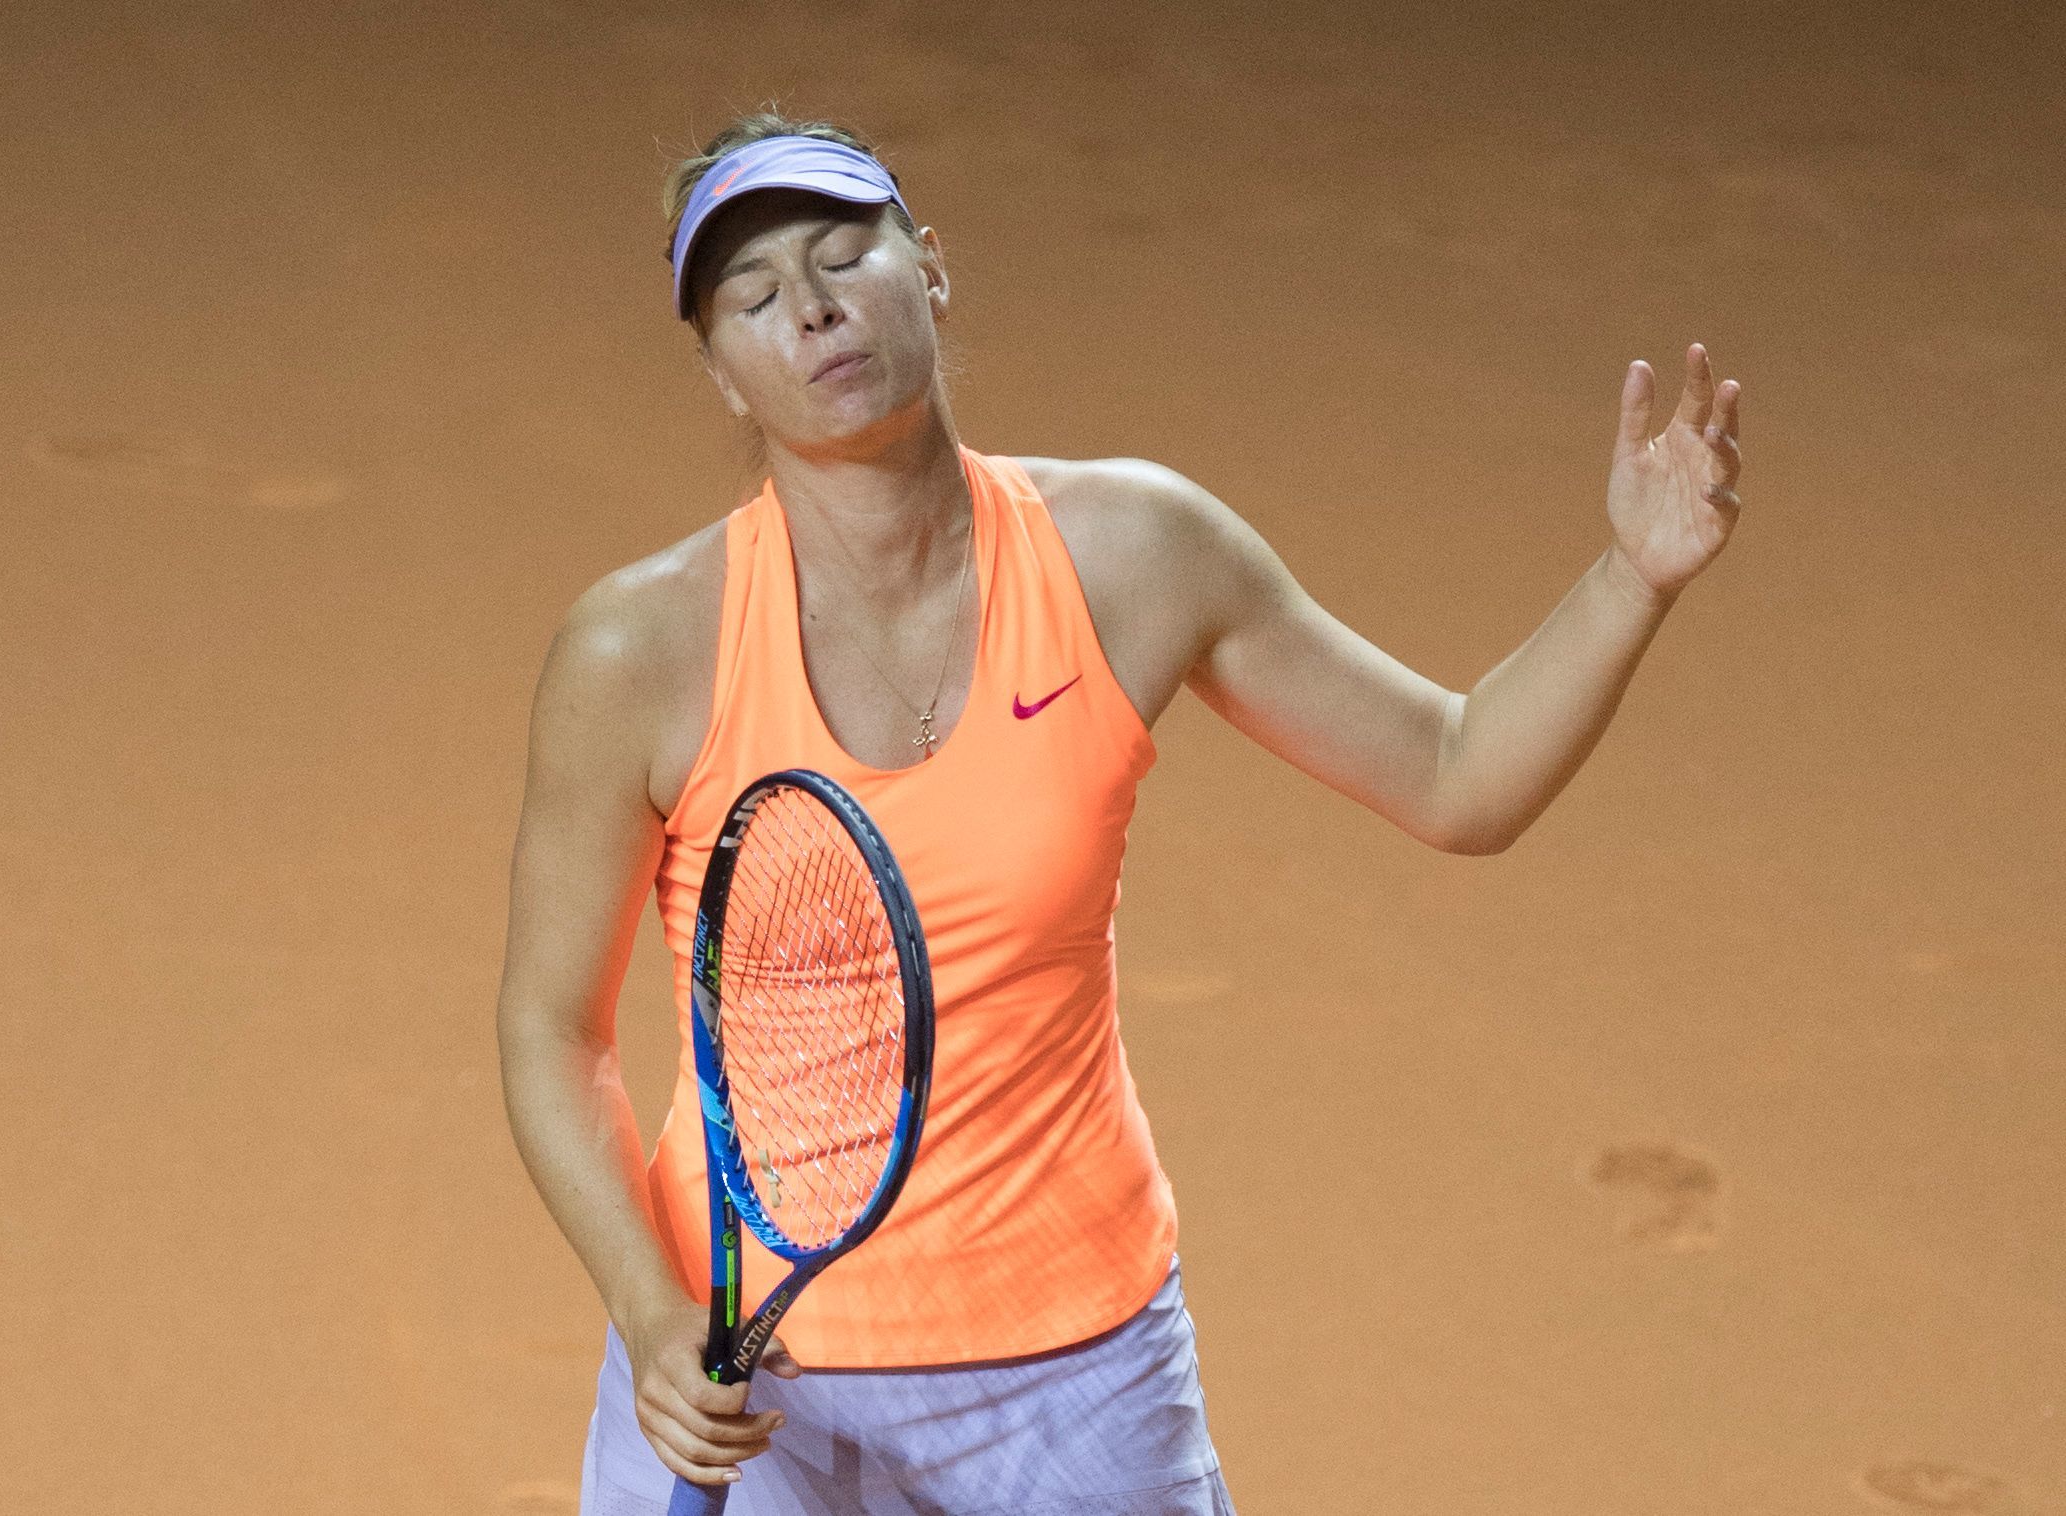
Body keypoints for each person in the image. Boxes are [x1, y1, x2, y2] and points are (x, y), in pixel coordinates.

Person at [495, 110, 1744, 1516]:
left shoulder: (1135, 554)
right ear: (722, 373)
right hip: (742, 1379)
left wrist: (1633, 578)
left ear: (930, 267)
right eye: (754, 296)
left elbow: (1457, 776)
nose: (814, 309)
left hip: (1072, 1381)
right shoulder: (638, 651)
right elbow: (553, 1031)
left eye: (843, 255)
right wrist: (651, 1311)